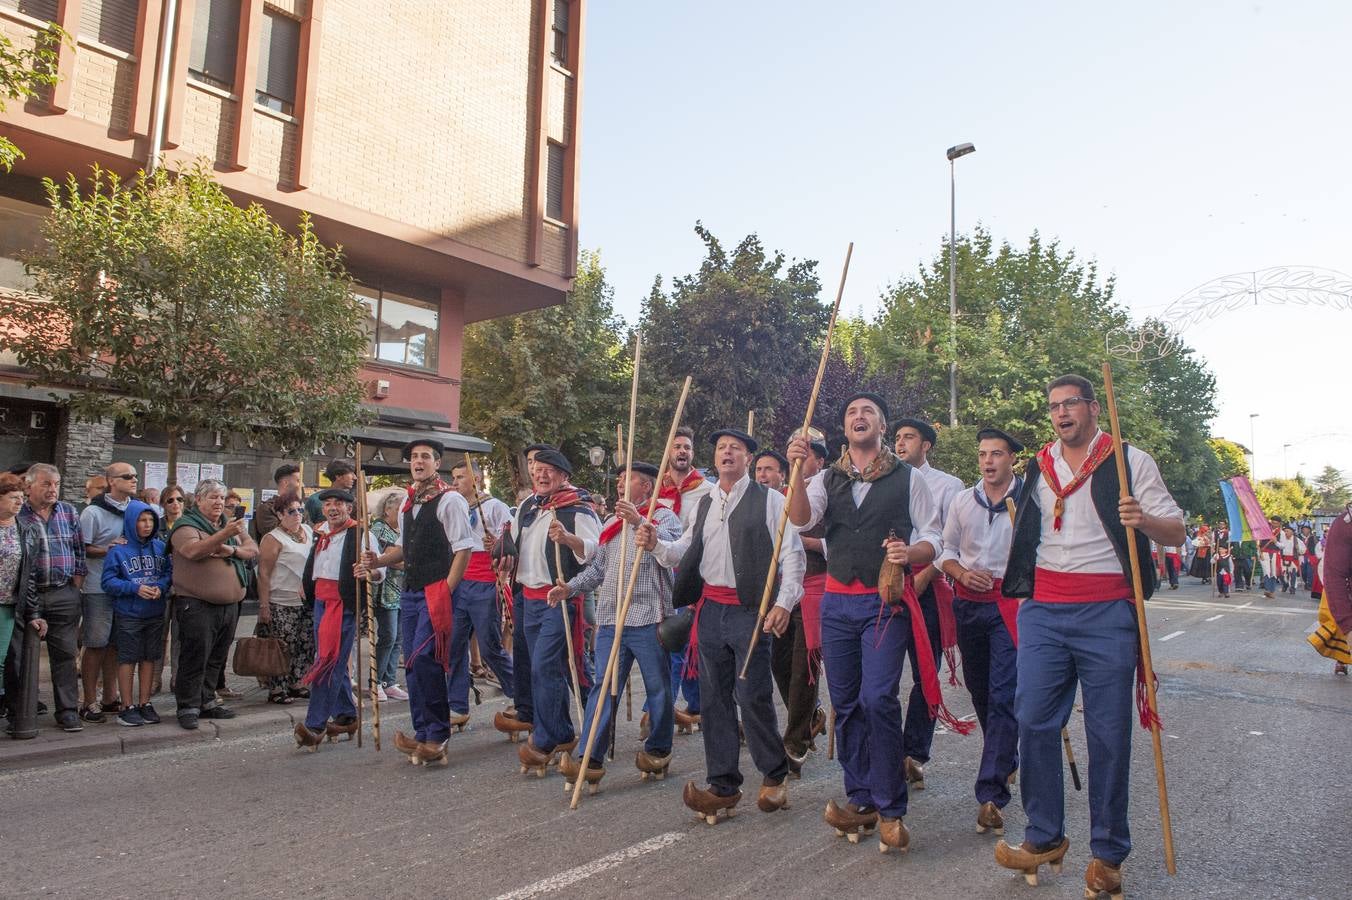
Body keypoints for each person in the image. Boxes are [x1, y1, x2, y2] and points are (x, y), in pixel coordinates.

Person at [994, 375, 1184, 899]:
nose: (1060, 414)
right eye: (1053, 407)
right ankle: (1044, 836)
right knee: (1031, 718)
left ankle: (1107, 854)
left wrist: (1141, 518)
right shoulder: (1039, 466)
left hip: (1108, 611)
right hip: (1044, 612)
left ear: (1093, 408)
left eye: (1070, 404)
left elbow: (1177, 531)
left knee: (1108, 734)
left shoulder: (1128, 460)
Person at [786, 395, 948, 850]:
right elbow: (801, 520)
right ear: (845, 428)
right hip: (836, 604)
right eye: (852, 413)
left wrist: (910, 553)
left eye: (868, 412)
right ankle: (862, 799)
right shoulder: (826, 478)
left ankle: (892, 805)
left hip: (883, 603)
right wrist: (797, 471)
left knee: (878, 698)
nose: (859, 417)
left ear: (882, 425)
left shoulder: (908, 477)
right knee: (847, 702)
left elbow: (933, 536)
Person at [642, 427, 803, 824]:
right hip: (710, 610)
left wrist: (783, 604)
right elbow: (685, 548)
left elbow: (792, 556)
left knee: (752, 695)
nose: (726, 453)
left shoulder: (771, 500)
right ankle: (723, 784)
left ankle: (775, 773)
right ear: (713, 458)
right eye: (720, 449)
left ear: (748, 458)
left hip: (751, 610)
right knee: (713, 700)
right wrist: (657, 545)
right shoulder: (704, 502)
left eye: (735, 448)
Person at [553, 460, 681, 788]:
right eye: (621, 479)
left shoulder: (664, 517)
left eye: (631, 479)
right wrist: (570, 587)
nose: (622, 484)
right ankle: (589, 758)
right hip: (612, 619)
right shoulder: (610, 523)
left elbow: (670, 549)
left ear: (647, 487)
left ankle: (659, 747)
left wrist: (639, 521)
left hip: (649, 619)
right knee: (603, 689)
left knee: (658, 688)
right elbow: (598, 570)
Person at [365, 439, 476, 766]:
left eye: (425, 456)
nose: (418, 461)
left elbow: (463, 549)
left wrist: (447, 589)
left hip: (435, 590)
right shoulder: (407, 502)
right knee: (411, 662)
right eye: (414, 457)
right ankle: (424, 731)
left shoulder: (450, 499)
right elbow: (402, 549)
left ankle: (438, 734)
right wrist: (377, 561)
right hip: (410, 591)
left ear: (436, 462)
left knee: (426, 658)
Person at [938, 427, 1024, 837]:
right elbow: (946, 551)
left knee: (1004, 694)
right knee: (981, 692)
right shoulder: (961, 502)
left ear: (1012, 460)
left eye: (997, 454)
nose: (989, 461)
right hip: (969, 605)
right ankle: (1004, 757)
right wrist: (959, 573)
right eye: (983, 454)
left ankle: (990, 795)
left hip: (1011, 607)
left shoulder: (1029, 502)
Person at [505, 448, 600, 775]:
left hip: (560, 597)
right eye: (538, 469)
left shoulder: (579, 509)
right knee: (552, 666)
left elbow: (594, 553)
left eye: (550, 471)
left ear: (564, 476)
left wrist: (569, 538)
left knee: (546, 665)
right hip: (529, 598)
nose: (542, 475)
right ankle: (569, 729)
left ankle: (548, 737)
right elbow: (515, 545)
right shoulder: (527, 507)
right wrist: (500, 546)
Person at [893, 416, 965, 792]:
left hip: (928, 585)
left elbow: (952, 542)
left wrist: (924, 577)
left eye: (909, 437)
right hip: (887, 585)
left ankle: (915, 752)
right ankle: (886, 751)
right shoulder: (883, 481)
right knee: (882, 674)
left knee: (925, 673)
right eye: (898, 438)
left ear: (926, 446)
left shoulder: (948, 486)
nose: (901, 443)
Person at [292, 488, 385, 749]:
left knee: (328, 662)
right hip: (320, 601)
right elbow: (317, 563)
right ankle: (346, 715)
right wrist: (306, 583)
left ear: (349, 508)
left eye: (339, 504)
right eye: (328, 504)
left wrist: (370, 571)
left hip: (343, 604)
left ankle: (315, 724)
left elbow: (380, 570)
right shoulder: (321, 531)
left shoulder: (361, 534)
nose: (333, 508)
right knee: (331, 658)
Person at [169, 479, 258, 730]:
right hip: (197, 604)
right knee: (195, 656)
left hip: (229, 605)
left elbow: (252, 549)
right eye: (213, 497)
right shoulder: (185, 525)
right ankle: (187, 705)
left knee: (216, 658)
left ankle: (207, 700)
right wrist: (225, 536)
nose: (219, 502)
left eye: (221, 498)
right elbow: (193, 551)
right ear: (198, 500)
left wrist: (231, 550)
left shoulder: (229, 526)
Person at [18, 464, 86, 732]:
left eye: (56, 484)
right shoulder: (19, 515)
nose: (52, 489)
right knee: (23, 655)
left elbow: (79, 550)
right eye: (46, 484)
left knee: (65, 655)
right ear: (29, 486)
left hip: (63, 593)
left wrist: (75, 585)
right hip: (28, 596)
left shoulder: (68, 512)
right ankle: (23, 708)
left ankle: (67, 710)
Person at [776, 433, 828, 777]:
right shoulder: (779, 495)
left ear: (819, 461)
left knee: (803, 668)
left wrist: (803, 540)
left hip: (818, 585)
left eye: (806, 454)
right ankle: (811, 714)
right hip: (785, 590)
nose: (799, 459)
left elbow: (834, 538)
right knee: (776, 661)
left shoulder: (828, 486)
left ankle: (794, 740)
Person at [653, 426, 711, 731]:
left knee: (685, 640)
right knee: (665, 640)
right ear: (667, 453)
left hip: (690, 573)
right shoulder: (655, 493)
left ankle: (690, 704)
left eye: (687, 447)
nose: (682, 452)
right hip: (660, 572)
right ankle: (667, 706)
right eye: (676, 447)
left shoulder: (705, 490)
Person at [447, 458, 513, 721]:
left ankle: (520, 694)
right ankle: (457, 706)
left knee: (489, 647)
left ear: (475, 479)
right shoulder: (455, 506)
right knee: (454, 645)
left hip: (487, 581)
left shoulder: (495, 507)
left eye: (460, 477)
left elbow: (511, 543)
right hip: (460, 581)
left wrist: (497, 544)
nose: (455, 483)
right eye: (453, 478)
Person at [78, 461, 141, 722]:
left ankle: (110, 697)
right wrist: (109, 549)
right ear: (112, 481)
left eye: (135, 476)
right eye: (127, 476)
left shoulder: (135, 510)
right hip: (97, 588)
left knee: (116, 643)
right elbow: (81, 549)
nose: (134, 480)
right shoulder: (93, 513)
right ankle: (88, 701)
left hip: (125, 587)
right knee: (95, 643)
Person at [101, 500, 171, 726]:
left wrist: (160, 587)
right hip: (129, 613)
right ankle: (127, 706)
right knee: (128, 658)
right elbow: (108, 581)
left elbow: (169, 572)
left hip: (154, 611)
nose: (147, 525)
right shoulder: (118, 550)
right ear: (132, 522)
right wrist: (134, 588)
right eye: (142, 520)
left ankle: (145, 702)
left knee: (150, 657)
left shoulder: (160, 547)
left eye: (151, 520)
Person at [256, 493, 314, 703]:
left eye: (300, 510)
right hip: (281, 600)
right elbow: (263, 573)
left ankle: (297, 682)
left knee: (306, 643)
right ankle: (277, 688)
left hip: (305, 599)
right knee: (283, 645)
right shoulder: (273, 538)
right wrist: (264, 605)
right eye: (291, 511)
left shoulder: (307, 531)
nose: (297, 515)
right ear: (280, 514)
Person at [0, 473, 46, 732]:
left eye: (21, 498)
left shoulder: (25, 531)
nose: (19, 502)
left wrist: (34, 612)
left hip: (10, 605)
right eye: (13, 497)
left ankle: (13, 711)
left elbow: (29, 577)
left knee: (7, 660)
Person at [368, 493, 408, 701]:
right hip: (385, 591)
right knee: (388, 635)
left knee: (398, 638)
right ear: (387, 510)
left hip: (400, 590)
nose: (402, 512)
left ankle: (389, 680)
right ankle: (375, 681)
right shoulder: (378, 529)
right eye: (398, 508)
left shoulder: (400, 529)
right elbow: (387, 558)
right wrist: (405, 560)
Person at [251, 464, 302, 542]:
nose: (301, 485)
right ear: (286, 482)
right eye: (298, 481)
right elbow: (274, 534)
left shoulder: (301, 506)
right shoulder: (266, 508)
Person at [306, 460, 356, 525]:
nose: (355, 477)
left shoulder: (353, 501)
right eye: (351, 473)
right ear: (338, 476)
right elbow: (307, 527)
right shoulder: (315, 500)